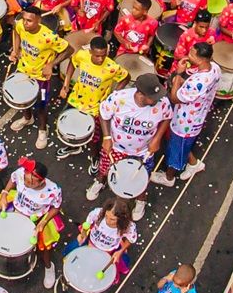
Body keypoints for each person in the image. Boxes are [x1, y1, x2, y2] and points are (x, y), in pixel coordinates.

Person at [89, 74, 171, 221]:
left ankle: (140, 200)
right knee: (105, 168)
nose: (158, 99)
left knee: (140, 178)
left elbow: (167, 117)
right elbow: (103, 113)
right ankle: (100, 182)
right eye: (153, 97)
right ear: (140, 94)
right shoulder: (119, 98)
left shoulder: (163, 103)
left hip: (143, 151)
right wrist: (107, 137)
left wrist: (157, 139)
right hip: (117, 147)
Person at [154, 43, 219, 186]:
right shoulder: (215, 69)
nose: (188, 55)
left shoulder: (197, 83)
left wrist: (178, 74)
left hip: (185, 123)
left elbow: (175, 98)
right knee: (183, 146)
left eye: (191, 54)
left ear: (201, 60)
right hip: (198, 116)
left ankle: (169, 178)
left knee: (175, 151)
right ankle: (194, 163)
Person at [0, 157, 66, 288]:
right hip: (17, 211)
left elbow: (56, 207)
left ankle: (48, 266)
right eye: (25, 179)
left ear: (41, 183)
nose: (26, 183)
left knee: (43, 248)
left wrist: (44, 222)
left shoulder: (53, 191)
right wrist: (5, 193)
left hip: (37, 220)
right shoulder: (20, 173)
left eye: (31, 183)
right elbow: (13, 179)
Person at [9, 6, 69, 148]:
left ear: (39, 20)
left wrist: (51, 65)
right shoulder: (20, 26)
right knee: (24, 99)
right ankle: (27, 118)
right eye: (24, 19)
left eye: (29, 21)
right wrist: (15, 50)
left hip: (41, 77)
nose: (25, 23)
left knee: (41, 105)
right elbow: (16, 32)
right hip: (23, 70)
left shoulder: (49, 37)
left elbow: (68, 49)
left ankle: (43, 129)